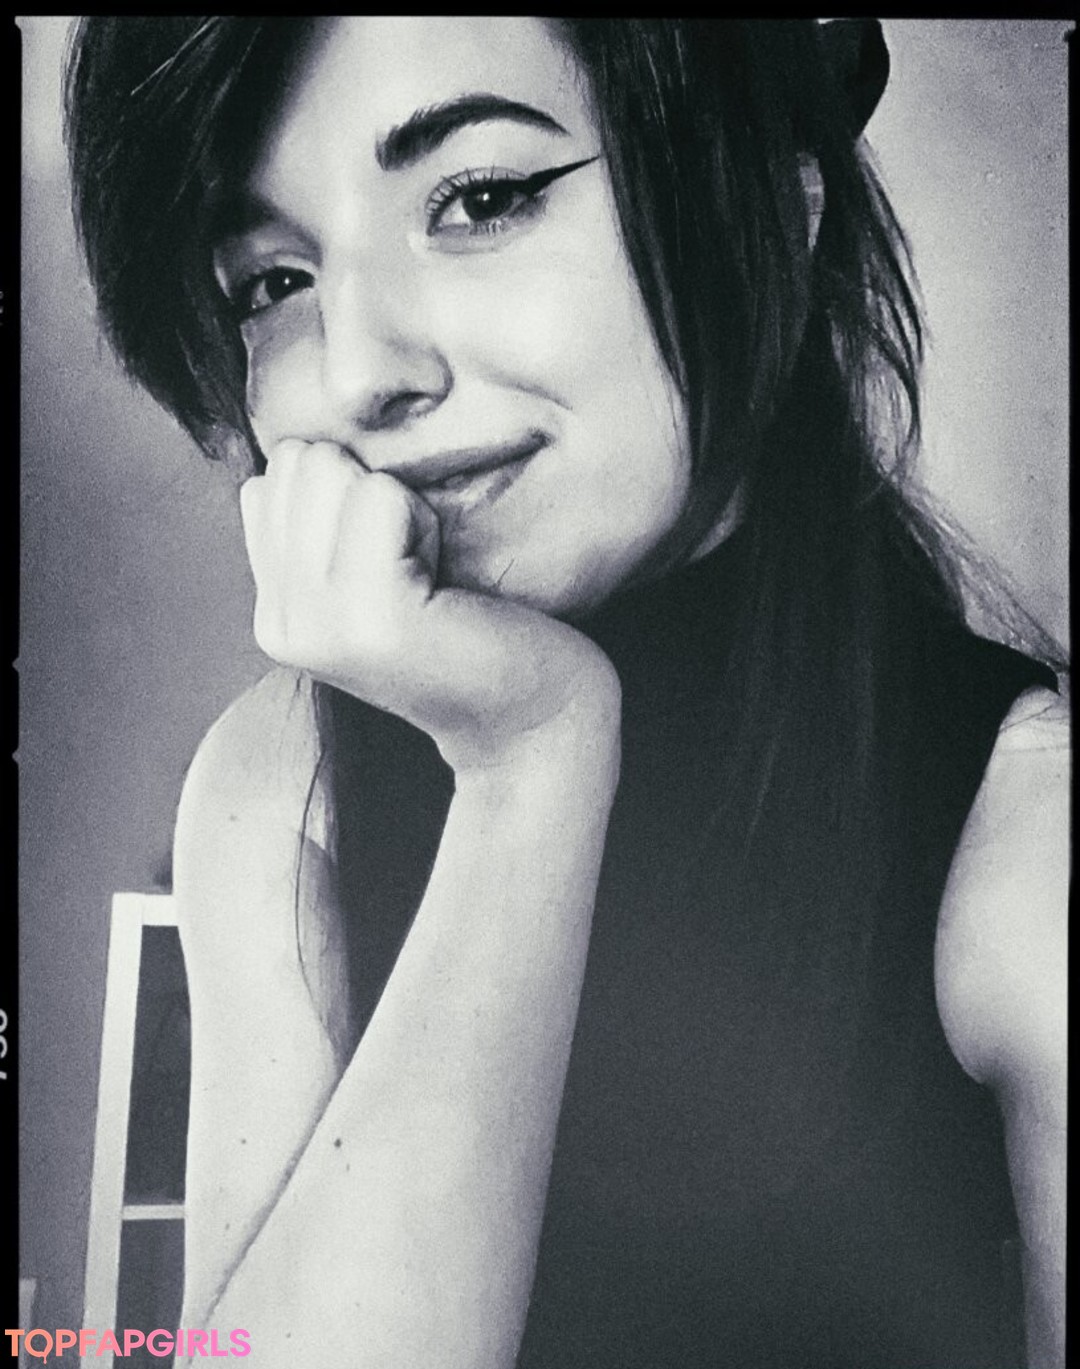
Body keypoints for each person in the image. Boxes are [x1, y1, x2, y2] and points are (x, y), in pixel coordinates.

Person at [64, 17, 1067, 1369]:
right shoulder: (280, 785)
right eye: (274, 280)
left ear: (774, 210)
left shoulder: (1022, 824)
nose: (362, 372)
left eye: (480, 200)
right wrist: (528, 760)